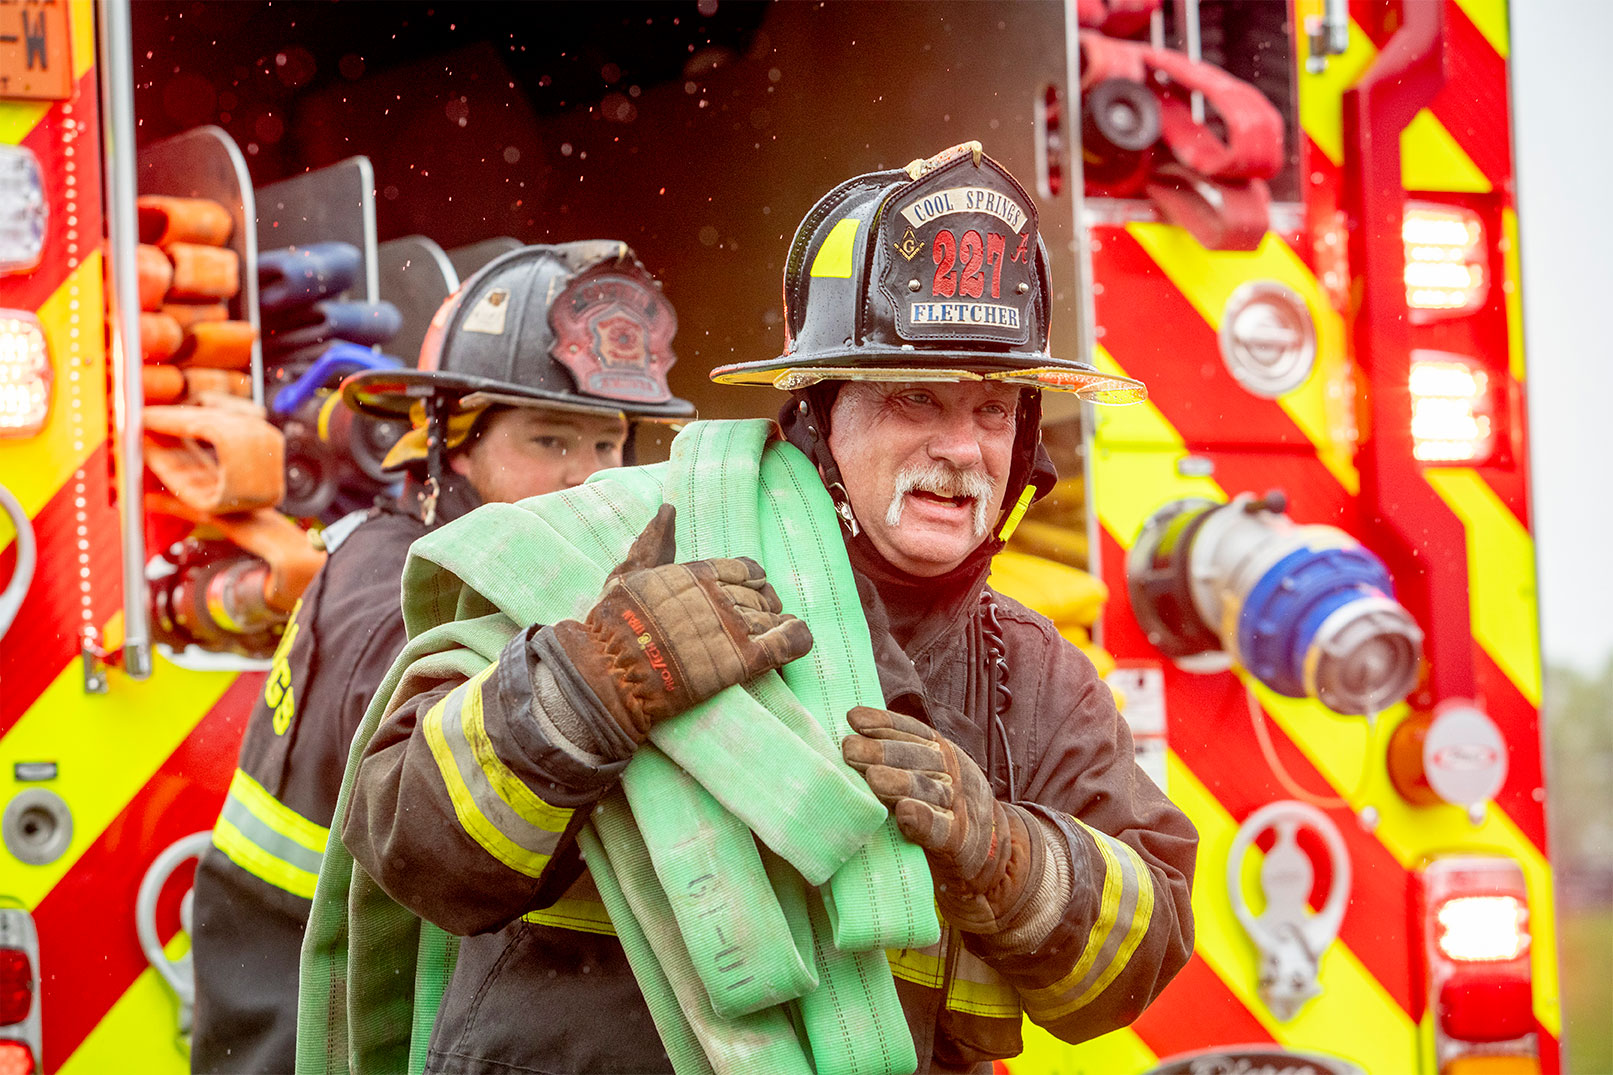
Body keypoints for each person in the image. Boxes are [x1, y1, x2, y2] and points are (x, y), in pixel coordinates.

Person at [333, 143, 1196, 1074]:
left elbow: (1136, 959)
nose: (963, 448)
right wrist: (582, 689)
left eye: (993, 410)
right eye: (916, 398)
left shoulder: (1028, 674)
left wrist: (1009, 858)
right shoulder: (624, 548)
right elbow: (412, 846)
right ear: (819, 410)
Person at [188, 241, 695, 1075]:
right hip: (311, 1025)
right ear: (450, 443)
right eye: (548, 439)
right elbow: (462, 816)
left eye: (607, 445)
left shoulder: (466, 562)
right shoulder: (406, 594)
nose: (590, 481)